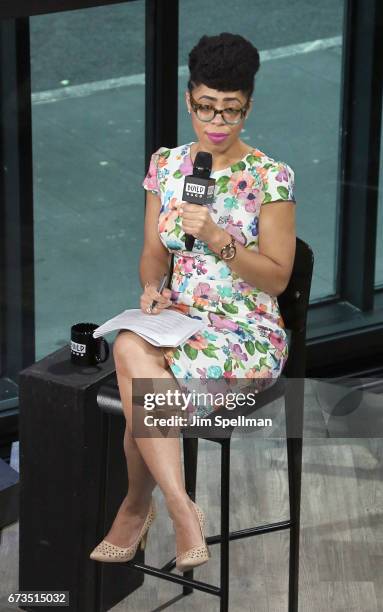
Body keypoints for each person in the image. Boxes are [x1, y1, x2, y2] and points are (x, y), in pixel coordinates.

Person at [90, 32, 296, 572]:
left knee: (141, 385)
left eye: (232, 111)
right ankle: (182, 508)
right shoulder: (167, 166)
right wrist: (153, 288)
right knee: (133, 346)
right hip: (179, 322)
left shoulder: (269, 178)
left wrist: (216, 236)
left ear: (248, 106)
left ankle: (141, 508)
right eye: (207, 107)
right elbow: (153, 254)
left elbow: (277, 280)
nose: (218, 122)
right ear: (189, 99)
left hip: (245, 334)